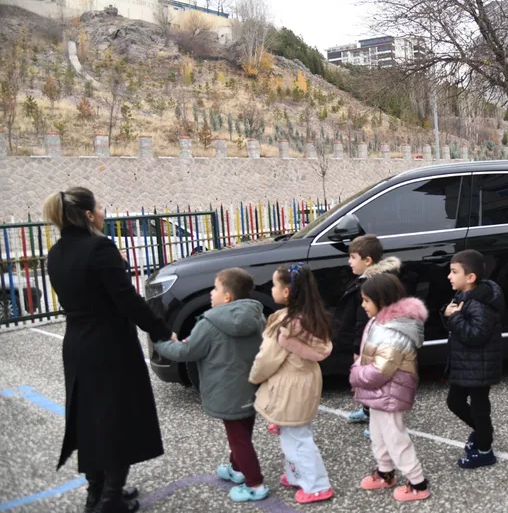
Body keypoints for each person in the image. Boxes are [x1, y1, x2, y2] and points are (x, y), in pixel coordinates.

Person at [44, 188, 176, 513]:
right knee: (118, 420)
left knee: (90, 422)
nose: (103, 212)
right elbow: (127, 299)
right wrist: (161, 330)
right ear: (89, 215)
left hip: (77, 344)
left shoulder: (55, 252)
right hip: (110, 345)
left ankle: (96, 494)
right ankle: (111, 499)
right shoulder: (100, 247)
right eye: (99, 207)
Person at [153, 267, 269, 502]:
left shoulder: (210, 322)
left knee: (238, 438)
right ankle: (236, 469)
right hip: (251, 386)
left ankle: (255, 484)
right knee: (242, 431)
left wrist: (161, 343)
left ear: (227, 296)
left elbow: (186, 351)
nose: (211, 293)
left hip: (226, 391)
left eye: (215, 289)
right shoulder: (257, 316)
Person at [250, 264, 334, 504]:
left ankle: (317, 486)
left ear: (286, 292)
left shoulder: (284, 324)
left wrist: (254, 377)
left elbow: (267, 359)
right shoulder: (311, 318)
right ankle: (296, 475)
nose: (272, 288)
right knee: (296, 432)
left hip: (289, 387)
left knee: (297, 440)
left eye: (274, 284)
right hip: (305, 382)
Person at [350, 274, 431, 502]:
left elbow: (380, 370)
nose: (362, 305)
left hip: (390, 392)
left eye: (366, 300)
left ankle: (418, 483)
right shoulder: (378, 322)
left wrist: (355, 373)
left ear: (382, 300)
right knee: (378, 434)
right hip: (380, 392)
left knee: (395, 437)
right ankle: (385, 472)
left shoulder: (394, 331)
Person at [442, 249, 504, 468]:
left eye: (454, 272)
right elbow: (457, 325)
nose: (449, 276)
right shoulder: (463, 296)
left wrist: (455, 317)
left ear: (470, 277)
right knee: (454, 402)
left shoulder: (481, 304)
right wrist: (448, 314)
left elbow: (475, 335)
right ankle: (483, 431)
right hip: (465, 365)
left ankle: (485, 449)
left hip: (480, 367)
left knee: (479, 408)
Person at [338, 234, 401, 436]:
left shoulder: (371, 286)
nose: (349, 261)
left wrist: (358, 348)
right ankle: (367, 411)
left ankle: (378, 422)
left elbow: (363, 321)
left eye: (353, 257)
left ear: (367, 261)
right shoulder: (365, 280)